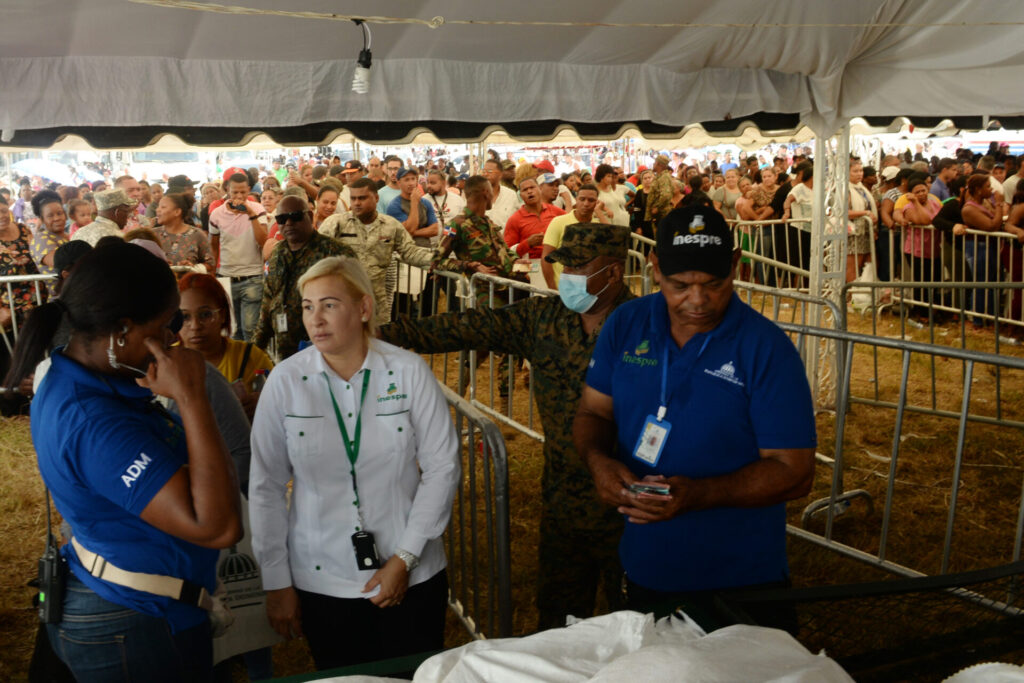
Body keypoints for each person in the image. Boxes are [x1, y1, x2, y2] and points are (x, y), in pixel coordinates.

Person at [4, 240, 242, 681]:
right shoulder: (96, 423)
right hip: (132, 621)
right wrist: (192, 398)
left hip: (135, 603)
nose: (173, 337)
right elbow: (220, 526)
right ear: (121, 331)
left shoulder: (79, 374)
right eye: (165, 323)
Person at [382, 223, 632, 631]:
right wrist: (381, 334)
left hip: (627, 500)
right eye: (563, 265)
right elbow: (465, 326)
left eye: (579, 267)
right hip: (563, 501)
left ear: (614, 273)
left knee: (636, 616)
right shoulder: (544, 318)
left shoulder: (643, 327)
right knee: (559, 618)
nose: (567, 275)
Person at [573, 205, 816, 624]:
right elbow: (593, 412)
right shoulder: (626, 324)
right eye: (680, 285)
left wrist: (698, 496)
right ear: (654, 268)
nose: (698, 300)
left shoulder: (766, 348)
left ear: (735, 265)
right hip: (647, 564)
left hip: (742, 578)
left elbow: (795, 471)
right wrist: (599, 463)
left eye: (714, 283)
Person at [249, 256, 460, 671]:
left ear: (363, 308)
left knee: (412, 674)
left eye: (329, 304)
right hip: (321, 577)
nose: (315, 319)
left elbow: (442, 467)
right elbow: (266, 485)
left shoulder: (407, 371)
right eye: (308, 306)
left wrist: (405, 557)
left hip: (412, 574)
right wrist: (276, 582)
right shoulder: (286, 381)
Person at [319, 178, 434, 325]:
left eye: (362, 198)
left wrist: (441, 261)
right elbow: (316, 252)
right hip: (342, 303)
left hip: (376, 305)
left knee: (378, 345)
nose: (357, 203)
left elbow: (411, 252)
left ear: (376, 198)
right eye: (353, 199)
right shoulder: (336, 223)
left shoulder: (391, 226)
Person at [252, 195, 354, 359]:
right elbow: (268, 301)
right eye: (282, 219)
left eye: (295, 217)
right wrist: (255, 350)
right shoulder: (278, 254)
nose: (288, 223)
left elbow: (353, 302)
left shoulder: (336, 253)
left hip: (326, 348)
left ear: (310, 216)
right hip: (286, 350)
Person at [178, 272, 274, 422]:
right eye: (185, 317)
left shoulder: (248, 357)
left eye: (205, 315)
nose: (195, 326)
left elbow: (282, 403)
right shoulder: (165, 361)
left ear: (222, 315)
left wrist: (264, 406)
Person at [209, 172, 269, 341]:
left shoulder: (258, 209)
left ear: (249, 190)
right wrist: (214, 272)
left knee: (250, 330)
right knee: (233, 331)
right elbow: (214, 245)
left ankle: (252, 366)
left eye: (243, 192)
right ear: (227, 190)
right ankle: (238, 367)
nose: (239, 196)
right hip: (226, 276)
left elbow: (263, 241)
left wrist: (251, 214)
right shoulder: (216, 214)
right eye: (235, 192)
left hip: (252, 276)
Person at [541, 183, 609, 289]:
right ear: (576, 200)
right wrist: (552, 288)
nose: (586, 204)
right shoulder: (558, 222)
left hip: (589, 290)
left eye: (591, 200)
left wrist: (599, 212)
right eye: (582, 199)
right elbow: (546, 258)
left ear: (597, 202)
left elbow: (613, 241)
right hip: (562, 289)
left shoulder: (597, 225)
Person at [960, 174, 1005, 327]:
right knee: (980, 283)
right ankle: (978, 320)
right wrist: (999, 205)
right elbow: (992, 226)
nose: (991, 189)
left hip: (988, 247)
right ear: (978, 190)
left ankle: (991, 318)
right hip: (978, 248)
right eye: (987, 186)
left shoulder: (984, 202)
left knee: (991, 283)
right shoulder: (969, 208)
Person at [0, 206, 39, 332]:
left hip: (37, 300)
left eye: (3, 210)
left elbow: (36, 255)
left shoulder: (23, 228)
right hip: (8, 311)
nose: (2, 216)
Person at [154, 193, 216, 274]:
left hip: (188, 285)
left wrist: (193, 267)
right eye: (158, 206)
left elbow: (210, 264)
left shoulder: (197, 235)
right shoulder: (152, 235)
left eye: (163, 207)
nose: (157, 210)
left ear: (177, 212)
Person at [28, 190, 69, 296]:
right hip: (61, 298)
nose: (57, 218)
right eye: (50, 216)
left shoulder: (68, 235)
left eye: (60, 213)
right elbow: (60, 263)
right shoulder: (41, 239)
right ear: (42, 219)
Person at [848, 161, 878, 283]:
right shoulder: (845, 189)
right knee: (853, 265)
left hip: (866, 232)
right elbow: (843, 212)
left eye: (861, 171)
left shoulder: (861, 188)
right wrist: (865, 213)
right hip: (852, 233)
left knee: (866, 264)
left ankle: (861, 295)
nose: (859, 174)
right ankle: (851, 295)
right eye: (855, 171)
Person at [482, 158, 520, 231]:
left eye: (490, 171)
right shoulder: (476, 194)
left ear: (500, 174)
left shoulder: (510, 195)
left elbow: (517, 220)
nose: (485, 174)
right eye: (484, 171)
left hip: (506, 240)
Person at [644, 155, 674, 233]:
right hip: (658, 215)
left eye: (655, 163)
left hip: (661, 214)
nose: (653, 165)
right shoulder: (659, 177)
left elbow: (666, 195)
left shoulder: (664, 177)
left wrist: (657, 207)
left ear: (659, 165)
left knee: (661, 238)